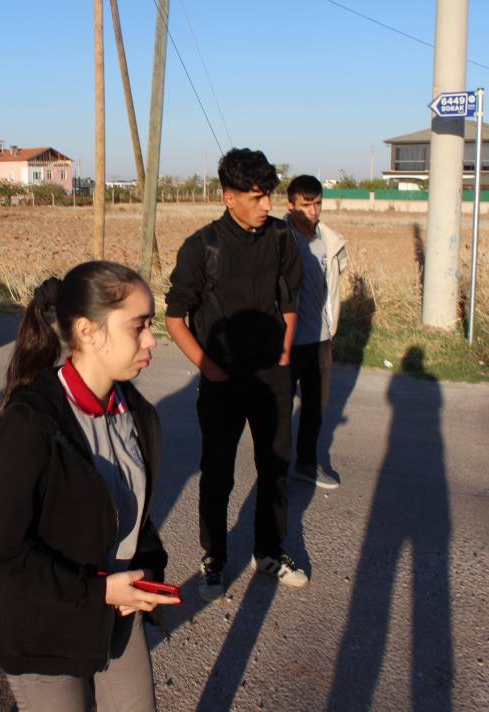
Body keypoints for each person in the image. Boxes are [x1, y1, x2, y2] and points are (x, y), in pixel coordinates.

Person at [0, 261, 179, 712]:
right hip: (41, 627)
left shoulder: (137, 413)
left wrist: (149, 573)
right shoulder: (32, 421)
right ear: (87, 331)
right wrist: (98, 592)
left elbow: (131, 515)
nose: (152, 340)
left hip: (115, 613)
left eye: (151, 325)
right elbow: (0, 548)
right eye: (139, 327)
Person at [164, 148, 307, 602]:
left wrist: (284, 356)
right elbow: (174, 317)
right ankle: (215, 557)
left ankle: (269, 551)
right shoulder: (202, 247)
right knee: (217, 471)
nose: (268, 206)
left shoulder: (282, 238)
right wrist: (210, 369)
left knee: (275, 468)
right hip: (223, 382)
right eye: (258, 197)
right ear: (229, 197)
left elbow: (289, 301)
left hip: (273, 377)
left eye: (270, 196)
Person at [284, 175, 347, 490]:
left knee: (314, 409)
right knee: (279, 411)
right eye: (305, 204)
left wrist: (332, 326)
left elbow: (333, 282)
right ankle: (275, 469)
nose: (313, 210)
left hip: (321, 340)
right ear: (290, 205)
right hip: (287, 342)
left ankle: (306, 464)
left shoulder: (330, 241)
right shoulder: (278, 240)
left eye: (317, 203)